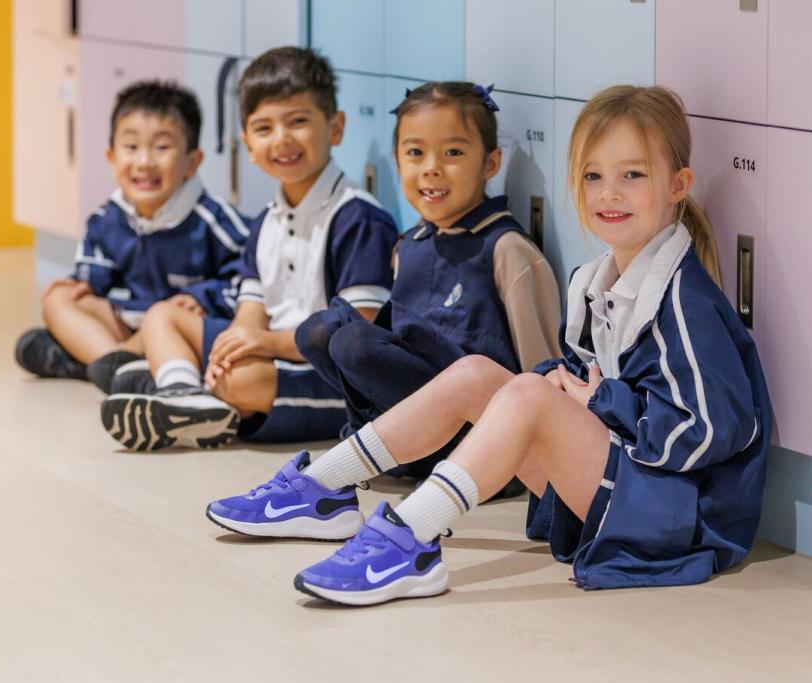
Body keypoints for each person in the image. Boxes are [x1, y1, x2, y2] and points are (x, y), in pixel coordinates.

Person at [206, 85, 771, 605]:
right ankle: (322, 490)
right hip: (620, 484)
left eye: (634, 176)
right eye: (593, 177)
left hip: (677, 518)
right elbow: (586, 379)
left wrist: (596, 402)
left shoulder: (684, 300)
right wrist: (565, 384)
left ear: (678, 186)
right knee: (480, 373)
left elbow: (714, 429)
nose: (610, 194)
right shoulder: (595, 279)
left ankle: (411, 537)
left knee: (525, 393)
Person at [100, 47, 397, 451]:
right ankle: (186, 396)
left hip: (334, 375)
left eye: (298, 121)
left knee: (240, 379)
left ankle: (182, 382)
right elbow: (249, 313)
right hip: (273, 353)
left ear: (336, 127)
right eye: (264, 128)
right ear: (248, 145)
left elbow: (358, 337)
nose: (282, 139)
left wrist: (263, 346)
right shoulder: (266, 221)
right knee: (162, 316)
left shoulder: (358, 219)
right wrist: (233, 345)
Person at [294, 81, 561, 480]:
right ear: (398, 160)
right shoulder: (410, 244)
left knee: (353, 341)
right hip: (414, 419)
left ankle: (382, 450)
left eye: (453, 152)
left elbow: (543, 370)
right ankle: (383, 444)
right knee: (319, 330)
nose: (431, 167)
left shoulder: (506, 248)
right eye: (415, 152)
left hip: (478, 437)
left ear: (490, 164)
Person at [14, 80, 248, 393]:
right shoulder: (106, 218)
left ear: (192, 163)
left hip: (180, 331)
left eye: (162, 147)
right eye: (131, 147)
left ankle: (89, 362)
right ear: (111, 158)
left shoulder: (214, 221)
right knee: (59, 300)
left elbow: (249, 279)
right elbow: (96, 274)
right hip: (129, 325)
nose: (144, 162)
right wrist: (84, 282)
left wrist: (202, 297)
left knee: (165, 320)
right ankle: (117, 366)